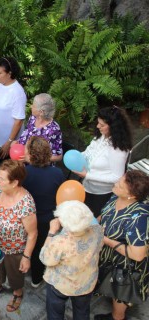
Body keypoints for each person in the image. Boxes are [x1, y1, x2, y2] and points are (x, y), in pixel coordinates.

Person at [94, 170, 149, 320]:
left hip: (125, 268)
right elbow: (104, 214)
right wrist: (94, 223)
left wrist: (106, 240)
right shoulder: (115, 197)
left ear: (131, 195)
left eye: (119, 185)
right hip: (110, 257)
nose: (115, 184)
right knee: (111, 289)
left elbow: (138, 255)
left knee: (120, 297)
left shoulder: (138, 218)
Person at [0, 159, 37, 312]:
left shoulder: (26, 205)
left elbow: (33, 234)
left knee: (15, 276)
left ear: (14, 183)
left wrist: (26, 257)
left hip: (14, 250)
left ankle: (17, 293)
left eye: (1, 178)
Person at [40, 200, 104, 320]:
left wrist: (51, 232)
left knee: (55, 312)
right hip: (86, 281)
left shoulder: (60, 241)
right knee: (82, 311)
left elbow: (46, 258)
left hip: (61, 285)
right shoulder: (97, 230)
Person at [73, 106, 133, 218]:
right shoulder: (101, 136)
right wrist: (76, 158)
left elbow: (117, 177)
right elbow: (88, 152)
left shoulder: (118, 150)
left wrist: (88, 175)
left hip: (101, 195)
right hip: (86, 187)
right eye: (98, 122)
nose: (97, 126)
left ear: (113, 127)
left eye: (102, 125)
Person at [22, 136, 65, 287]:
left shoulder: (23, 172)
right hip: (47, 218)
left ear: (31, 154)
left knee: (27, 243)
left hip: (26, 218)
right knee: (41, 247)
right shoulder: (58, 173)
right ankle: (37, 278)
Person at [0, 57, 26, 163]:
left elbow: (19, 120)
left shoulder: (17, 93)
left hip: (4, 142)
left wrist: (9, 142)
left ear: (9, 73)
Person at [16, 93, 63, 162]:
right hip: (22, 158)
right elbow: (27, 135)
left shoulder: (53, 130)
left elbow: (58, 157)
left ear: (41, 112)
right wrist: (18, 142)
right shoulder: (33, 118)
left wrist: (32, 160)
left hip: (39, 166)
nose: (31, 106)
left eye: (33, 105)